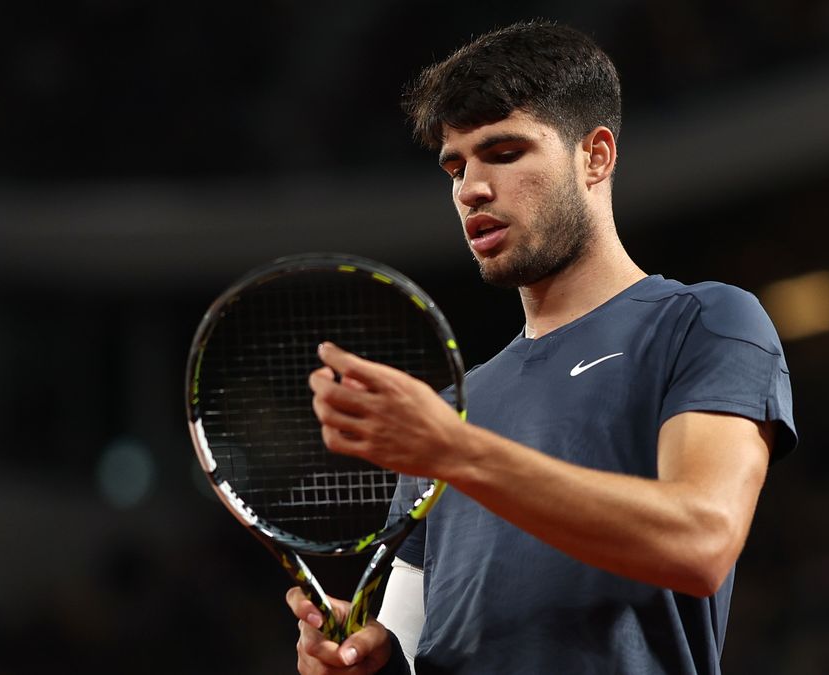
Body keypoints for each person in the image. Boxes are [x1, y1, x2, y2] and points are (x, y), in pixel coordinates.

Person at [287, 20, 797, 674]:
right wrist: (357, 662)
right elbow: (406, 645)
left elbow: (701, 539)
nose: (470, 188)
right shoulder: (449, 412)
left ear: (596, 156)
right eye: (456, 165)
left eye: (504, 153)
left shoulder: (705, 321)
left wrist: (456, 449)